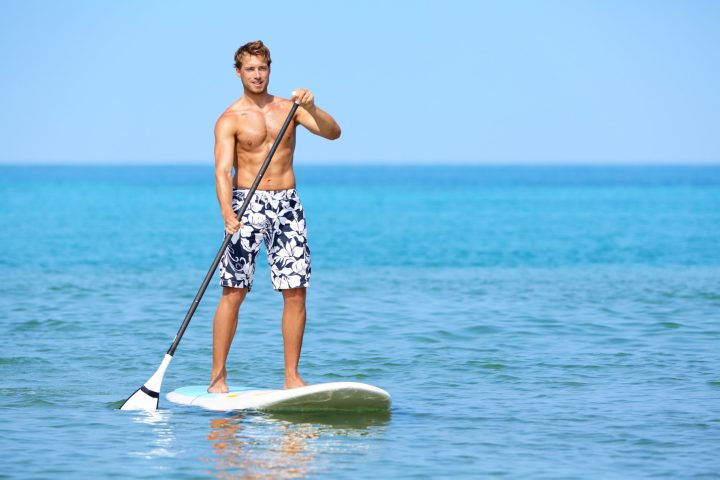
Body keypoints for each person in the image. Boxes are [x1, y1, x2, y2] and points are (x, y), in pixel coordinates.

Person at [209, 40, 341, 393]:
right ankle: (218, 377)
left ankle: (291, 377)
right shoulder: (229, 119)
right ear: (238, 72)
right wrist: (227, 211)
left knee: (296, 291)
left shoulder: (290, 108)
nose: (257, 74)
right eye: (250, 68)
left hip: (286, 204)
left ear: (270, 69)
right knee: (234, 291)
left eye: (262, 68)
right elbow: (223, 171)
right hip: (245, 205)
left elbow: (333, 133)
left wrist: (315, 106)